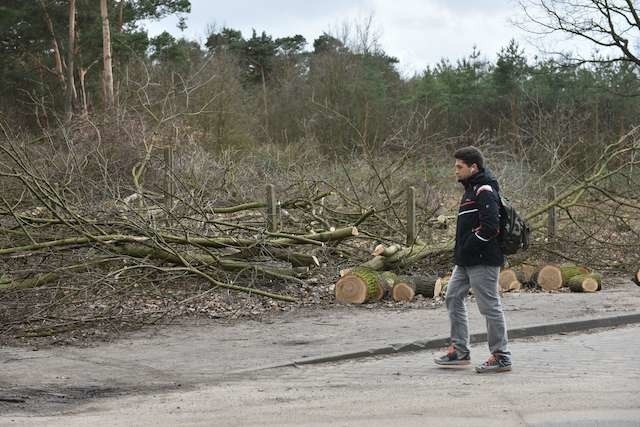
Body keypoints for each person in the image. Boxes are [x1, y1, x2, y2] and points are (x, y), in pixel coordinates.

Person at [434, 146, 512, 373]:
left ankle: (501, 355)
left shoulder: (484, 189)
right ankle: (460, 351)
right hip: (466, 260)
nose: (455, 171)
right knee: (452, 297)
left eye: (459, 167)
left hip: (483, 259)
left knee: (489, 306)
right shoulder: (471, 189)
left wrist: (468, 246)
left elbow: (490, 228)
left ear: (473, 167)